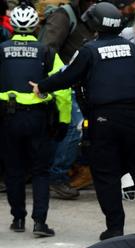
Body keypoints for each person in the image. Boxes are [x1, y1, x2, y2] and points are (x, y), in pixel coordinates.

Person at [32, 2, 135, 241]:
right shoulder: (134, 49)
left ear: (95, 24)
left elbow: (67, 76)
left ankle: (115, 228)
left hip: (103, 119)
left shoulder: (89, 51)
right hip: (134, 119)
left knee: (106, 174)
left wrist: (42, 86)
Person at [1, 3, 71, 237]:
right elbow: (63, 89)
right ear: (35, 26)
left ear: (12, 26)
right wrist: (64, 121)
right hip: (39, 119)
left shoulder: (1, 50)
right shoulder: (47, 52)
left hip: (8, 119)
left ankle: (18, 218)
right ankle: (40, 223)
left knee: (14, 170)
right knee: (41, 171)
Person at [40, 0, 98, 198]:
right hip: (64, 85)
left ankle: (68, 169)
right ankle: (57, 176)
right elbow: (46, 49)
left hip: (78, 83)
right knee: (74, 129)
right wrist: (59, 78)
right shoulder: (64, 16)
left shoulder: (87, 16)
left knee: (76, 130)